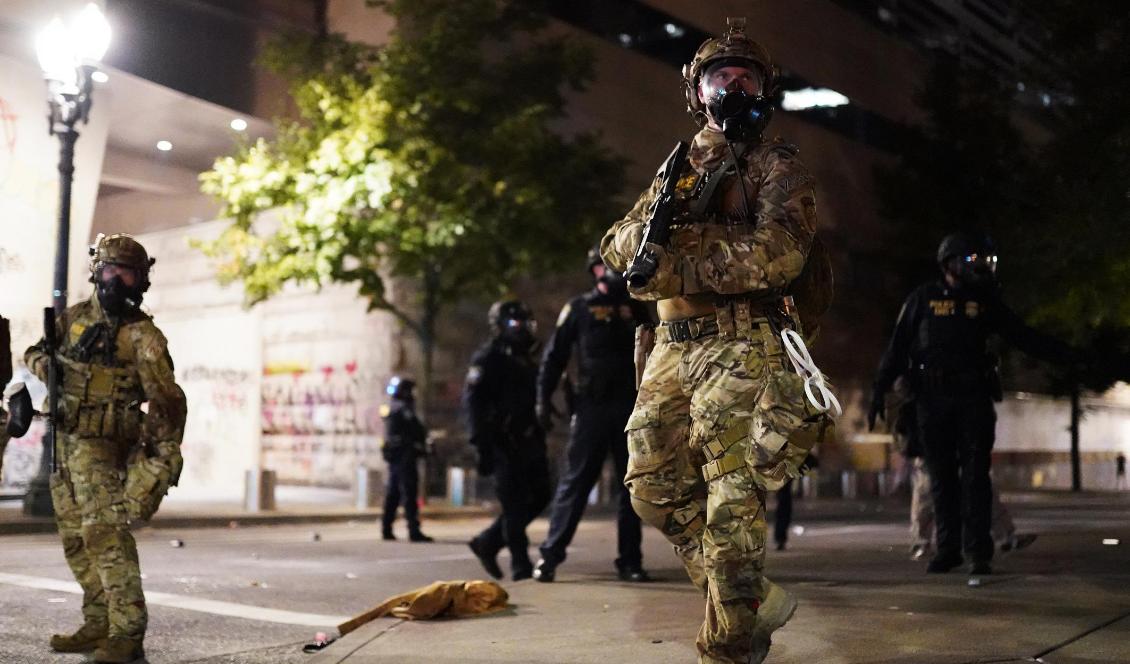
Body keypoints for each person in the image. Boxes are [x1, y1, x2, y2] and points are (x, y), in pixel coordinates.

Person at [601, 17, 835, 664]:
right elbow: (618, 245)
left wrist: (678, 257)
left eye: (745, 79)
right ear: (698, 92)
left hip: (742, 343)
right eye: (720, 78)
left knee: (732, 505)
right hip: (671, 346)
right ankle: (750, 598)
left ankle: (728, 647)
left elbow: (779, 255)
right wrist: (652, 244)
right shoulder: (677, 168)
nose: (733, 88)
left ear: (764, 90)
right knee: (650, 486)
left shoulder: (777, 167)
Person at [870, 231, 1074, 576]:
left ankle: (979, 551)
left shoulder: (985, 302)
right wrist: (879, 389)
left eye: (985, 261)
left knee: (976, 477)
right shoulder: (923, 299)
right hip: (932, 400)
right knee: (941, 478)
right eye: (973, 260)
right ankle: (948, 550)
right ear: (949, 263)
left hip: (973, 398)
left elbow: (1023, 336)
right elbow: (897, 347)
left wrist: (1070, 356)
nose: (981, 267)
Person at [25, 233, 186, 663]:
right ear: (97, 271)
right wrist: (47, 366)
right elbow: (34, 351)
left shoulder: (143, 337)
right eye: (111, 270)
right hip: (65, 444)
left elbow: (168, 402)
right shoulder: (74, 318)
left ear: (140, 280)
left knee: (106, 536)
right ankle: (98, 621)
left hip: (105, 449)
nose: (116, 281)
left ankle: (127, 633)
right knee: (75, 538)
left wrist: (160, 458)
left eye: (127, 274)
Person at [532, 246, 651, 583]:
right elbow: (554, 358)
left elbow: (657, 354)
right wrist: (543, 400)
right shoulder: (579, 309)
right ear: (595, 271)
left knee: (631, 487)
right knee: (576, 482)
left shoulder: (636, 308)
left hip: (629, 407)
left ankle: (630, 561)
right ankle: (550, 557)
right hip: (591, 408)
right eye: (605, 266)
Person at [464, 299, 552, 581]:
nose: (522, 329)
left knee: (541, 495)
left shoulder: (527, 358)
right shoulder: (488, 358)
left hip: (530, 440)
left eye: (526, 323)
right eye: (515, 323)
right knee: (514, 504)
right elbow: (473, 405)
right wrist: (480, 445)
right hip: (502, 441)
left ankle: (489, 541)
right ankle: (520, 565)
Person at [380, 376, 433, 543]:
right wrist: (423, 444)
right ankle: (413, 530)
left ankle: (386, 528)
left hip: (395, 455)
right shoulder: (404, 409)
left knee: (393, 493)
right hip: (404, 455)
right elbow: (417, 430)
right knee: (409, 492)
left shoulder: (392, 408)